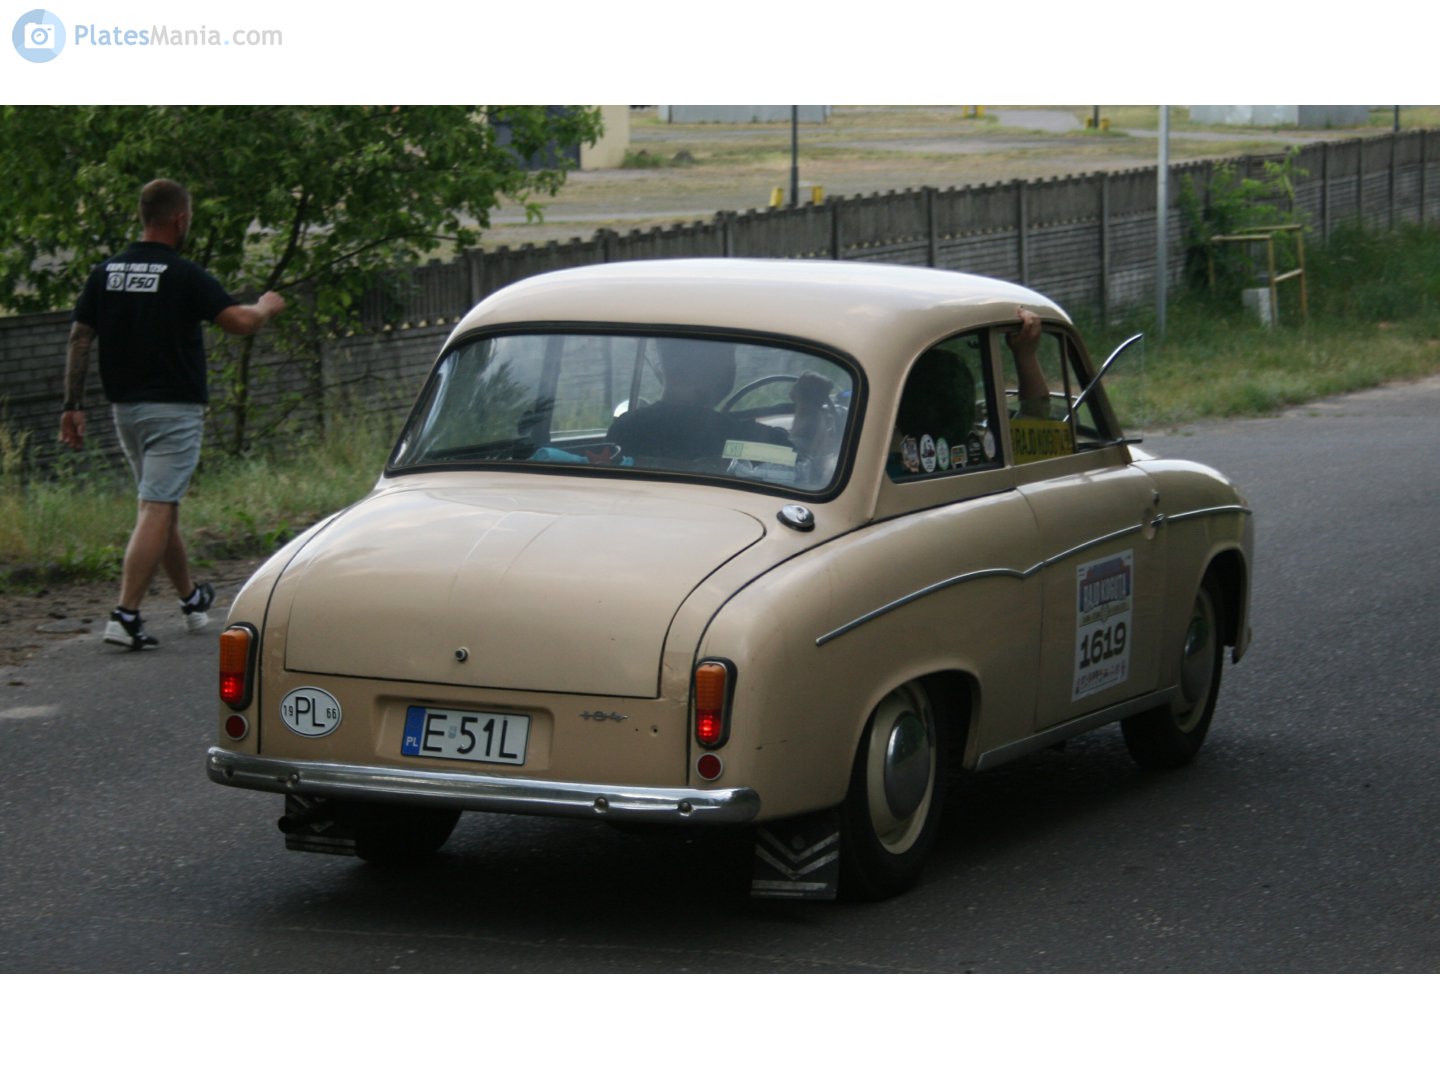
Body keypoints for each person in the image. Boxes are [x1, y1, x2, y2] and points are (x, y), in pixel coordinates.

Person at [60, 178, 286, 651]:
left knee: (161, 508)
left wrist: (72, 405)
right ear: (179, 220)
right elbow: (239, 323)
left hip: (126, 412)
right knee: (156, 506)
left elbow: (80, 338)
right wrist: (264, 307)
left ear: (143, 217)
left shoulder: (106, 273)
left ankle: (190, 597)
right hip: (174, 411)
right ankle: (125, 616)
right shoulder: (183, 274)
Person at [607, 338, 831, 464]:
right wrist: (808, 407)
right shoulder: (743, 442)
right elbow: (802, 456)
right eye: (729, 360)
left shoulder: (623, 432)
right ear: (721, 371)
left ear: (662, 367)